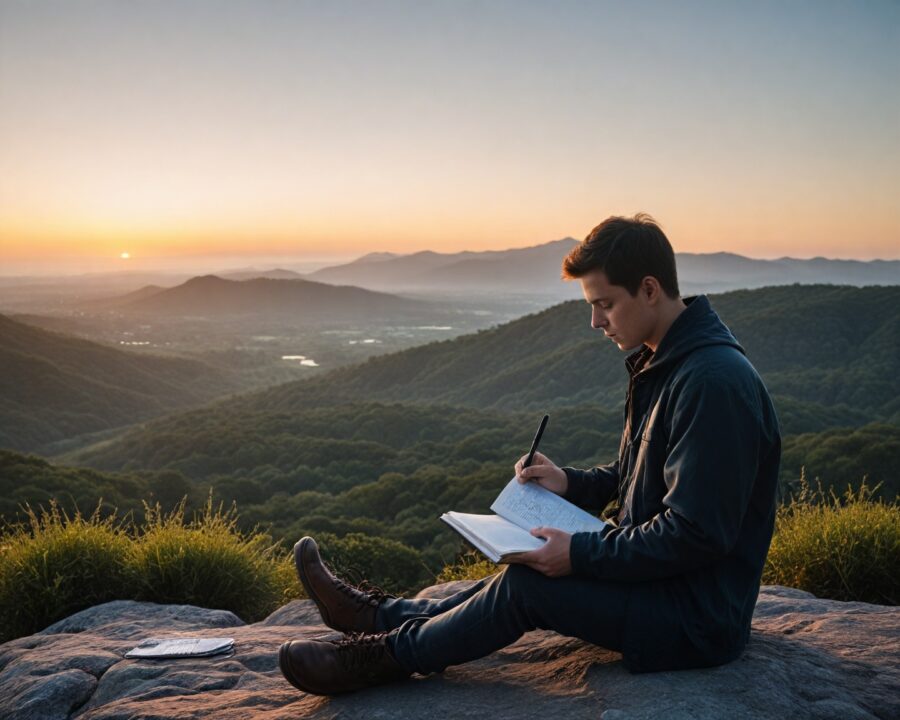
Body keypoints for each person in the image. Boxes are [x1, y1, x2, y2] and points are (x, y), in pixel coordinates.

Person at [278, 213, 782, 695]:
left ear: (649, 289)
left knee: (528, 586)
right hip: (660, 584)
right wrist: (569, 483)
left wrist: (579, 553)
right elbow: (638, 476)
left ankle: (379, 657)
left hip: (693, 618)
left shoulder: (712, 383)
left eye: (605, 303)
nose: (595, 321)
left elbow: (697, 534)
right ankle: (380, 619)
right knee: (525, 570)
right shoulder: (665, 363)